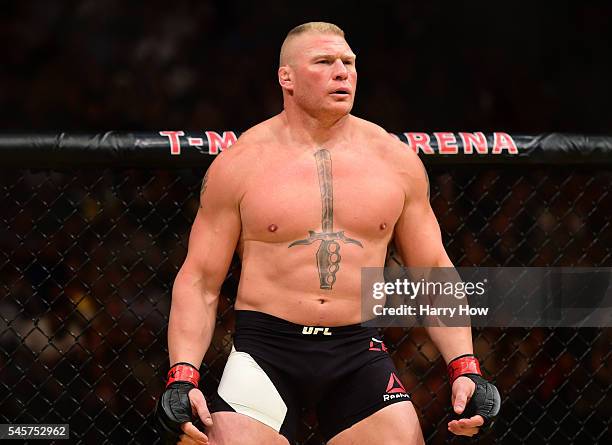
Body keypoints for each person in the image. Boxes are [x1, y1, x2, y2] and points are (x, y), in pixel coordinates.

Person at [156, 22, 500, 445]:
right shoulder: (241, 162)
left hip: (357, 351)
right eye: (324, 62)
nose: (342, 72)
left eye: (349, 62)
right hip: (266, 350)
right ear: (287, 78)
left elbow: (432, 272)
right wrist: (182, 374)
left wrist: (466, 368)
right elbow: (201, 280)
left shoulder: (395, 160)